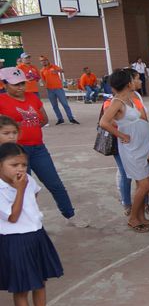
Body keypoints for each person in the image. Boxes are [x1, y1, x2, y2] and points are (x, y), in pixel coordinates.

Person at [0, 142, 66, 306]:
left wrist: (33, 215)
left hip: (36, 234)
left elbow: (35, 194)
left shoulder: (28, 180)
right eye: (14, 165)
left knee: (40, 282)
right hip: (14, 240)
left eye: (23, 164)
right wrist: (20, 190)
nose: (20, 169)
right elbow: (13, 216)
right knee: (22, 288)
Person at [0, 67, 85, 227]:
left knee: (55, 184)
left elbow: (44, 119)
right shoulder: (1, 100)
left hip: (38, 148)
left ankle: (70, 214)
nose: (20, 87)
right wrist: (15, 131)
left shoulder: (32, 97)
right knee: (22, 188)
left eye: (22, 83)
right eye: (15, 84)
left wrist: (28, 125)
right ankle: (26, 222)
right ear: (5, 84)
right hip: (14, 153)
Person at [99, 69, 149, 232]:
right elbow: (104, 122)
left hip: (139, 147)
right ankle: (133, 218)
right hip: (132, 150)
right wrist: (121, 135)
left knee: (142, 184)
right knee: (144, 185)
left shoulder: (129, 99)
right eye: (134, 79)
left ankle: (141, 217)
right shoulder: (117, 102)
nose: (137, 81)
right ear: (128, 83)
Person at [39, 56, 79, 125]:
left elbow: (62, 70)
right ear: (41, 62)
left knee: (65, 104)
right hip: (50, 90)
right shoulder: (42, 71)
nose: (44, 61)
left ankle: (71, 118)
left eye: (45, 60)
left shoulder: (53, 66)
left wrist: (57, 71)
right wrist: (44, 86)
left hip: (58, 88)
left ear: (48, 61)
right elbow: (43, 80)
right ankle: (60, 119)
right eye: (42, 61)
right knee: (54, 105)